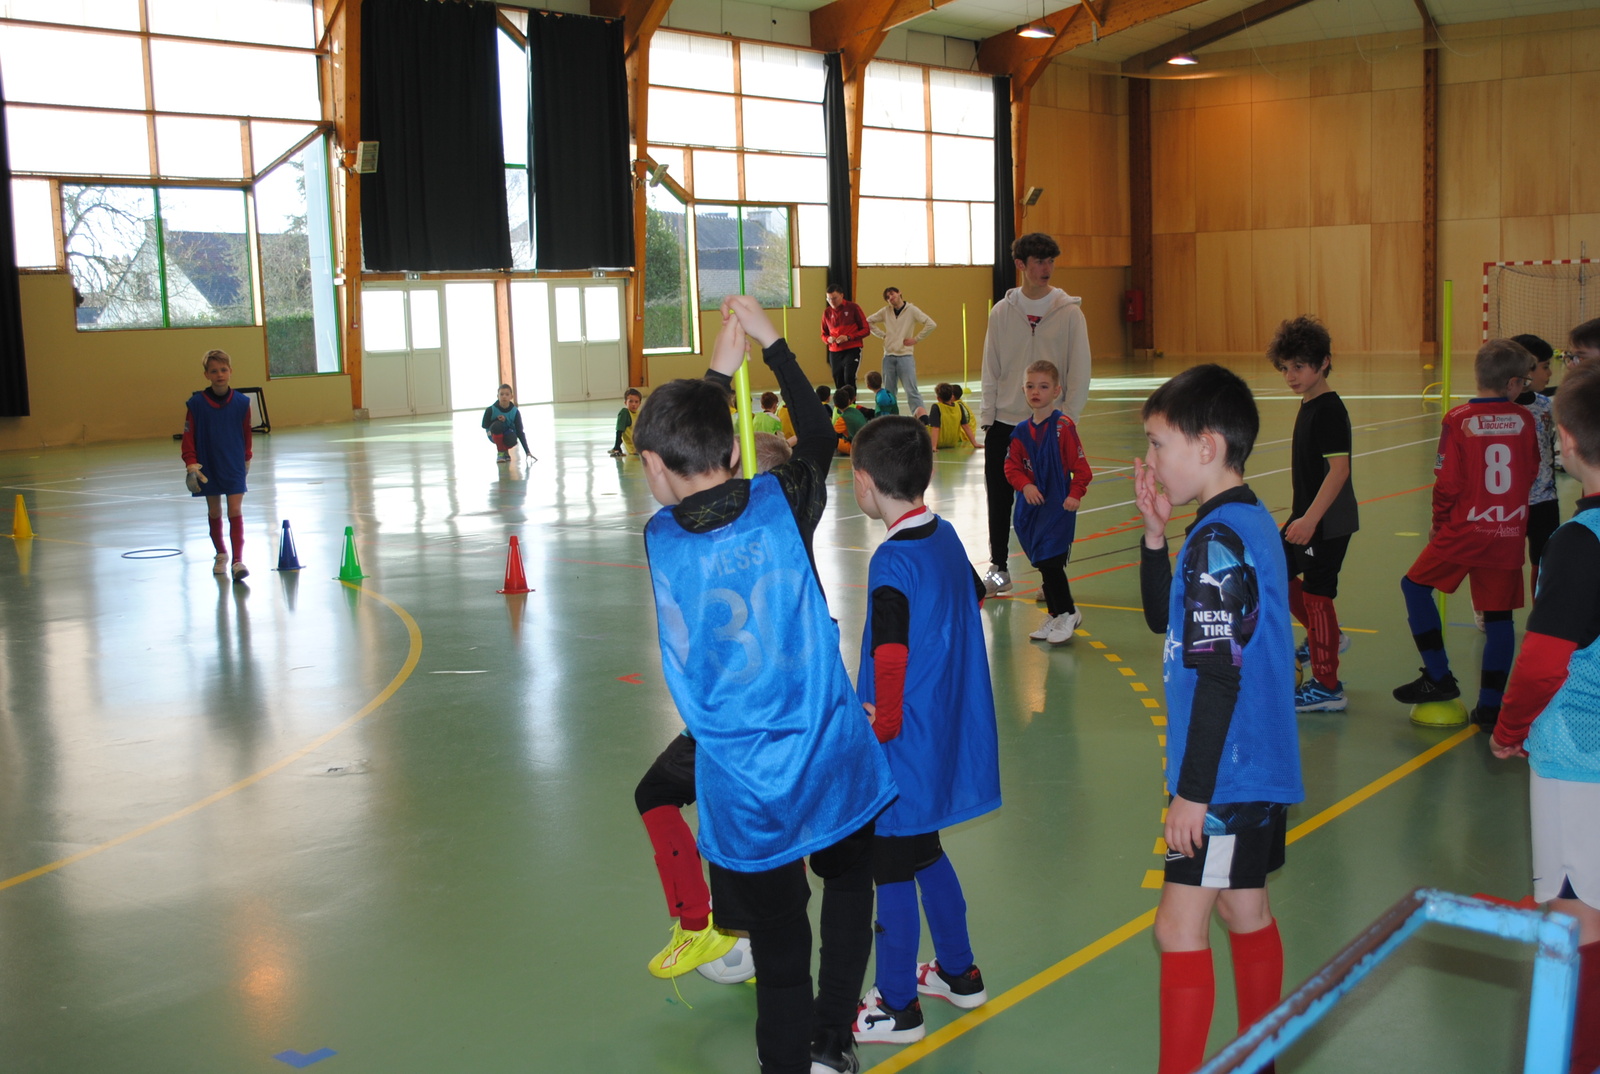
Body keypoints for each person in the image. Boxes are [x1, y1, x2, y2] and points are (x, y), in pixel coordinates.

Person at [634, 293, 896, 1074]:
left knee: (781, 955)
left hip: (745, 787)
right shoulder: (781, 503)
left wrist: (717, 372)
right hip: (829, 750)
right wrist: (769, 343)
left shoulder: (661, 538)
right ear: (736, 448)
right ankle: (834, 1040)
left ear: (654, 468)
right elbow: (817, 434)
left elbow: (695, 471)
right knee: (848, 890)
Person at [1133, 364, 1304, 1074]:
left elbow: (1218, 677)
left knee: (1177, 929)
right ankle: (1262, 1056)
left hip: (1226, 779)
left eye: (1158, 444)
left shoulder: (1217, 543)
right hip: (1253, 765)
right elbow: (1161, 619)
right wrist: (1154, 536)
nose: (1149, 461)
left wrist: (1193, 793)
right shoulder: (1242, 521)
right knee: (1243, 910)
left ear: (1206, 446)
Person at [846, 416, 999, 1048]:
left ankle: (898, 1005)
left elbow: (890, 653)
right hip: (939, 730)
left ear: (864, 483)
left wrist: (881, 722)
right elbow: (973, 594)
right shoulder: (945, 534)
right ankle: (960, 973)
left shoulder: (891, 560)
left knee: (890, 868)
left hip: (901, 743)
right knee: (925, 850)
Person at [1488, 358, 1600, 1074]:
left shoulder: (1580, 542)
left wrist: (1508, 731)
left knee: (1573, 915)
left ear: (1568, 442)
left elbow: (1542, 662)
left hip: (1579, 761)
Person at [1394, 339, 1541, 730]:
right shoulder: (1525, 420)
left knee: (1414, 587)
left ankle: (1438, 676)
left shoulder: (1457, 419)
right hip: (1507, 529)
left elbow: (1447, 482)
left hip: (1464, 530)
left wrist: (1439, 522)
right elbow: (1531, 470)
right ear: (1512, 383)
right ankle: (1490, 708)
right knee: (1498, 617)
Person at [979, 232, 1093, 595]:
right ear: (1021, 265)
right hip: (1005, 423)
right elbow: (990, 367)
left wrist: (1067, 418)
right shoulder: (1002, 312)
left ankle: (1050, 576)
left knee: (1050, 504)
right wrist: (987, 417)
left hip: (1049, 426)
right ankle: (999, 569)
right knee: (999, 500)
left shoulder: (1069, 313)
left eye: (1050, 261)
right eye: (1039, 262)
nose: (1046, 269)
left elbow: (1080, 369)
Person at [1267, 316, 1358, 714]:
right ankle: (1330, 637)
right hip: (1306, 516)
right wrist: (1298, 517)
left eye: (1299, 367)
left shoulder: (1329, 411)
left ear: (1324, 363)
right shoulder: (1308, 404)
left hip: (1327, 522)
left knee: (1318, 595)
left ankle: (1327, 686)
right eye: (1285, 368)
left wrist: (1310, 521)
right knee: (1276, 571)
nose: (1291, 376)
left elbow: (1339, 471)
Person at [1004, 360, 1093, 645]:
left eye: (1043, 386)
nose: (1036, 392)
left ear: (1056, 391)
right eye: (1030, 386)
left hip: (1058, 507)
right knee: (1043, 563)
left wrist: (1075, 493)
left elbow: (1082, 469)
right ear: (1023, 390)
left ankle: (1067, 612)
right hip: (1031, 510)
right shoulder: (1020, 431)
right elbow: (1011, 466)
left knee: (1052, 562)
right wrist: (1025, 485)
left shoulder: (1062, 427)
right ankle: (1055, 614)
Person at [182, 349, 254, 581]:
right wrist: (191, 462)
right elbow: (188, 435)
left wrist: (247, 457)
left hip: (233, 464)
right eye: (214, 371)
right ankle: (221, 553)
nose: (219, 374)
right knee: (214, 511)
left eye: (223, 370)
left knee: (235, 510)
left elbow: (246, 433)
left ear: (230, 371)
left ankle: (238, 561)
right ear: (207, 375)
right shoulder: (196, 404)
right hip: (208, 465)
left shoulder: (242, 403)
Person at [1511, 334, 1560, 592]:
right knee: (1505, 562)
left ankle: (1540, 611)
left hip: (1544, 499)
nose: (1550, 373)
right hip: (1507, 501)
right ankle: (1491, 607)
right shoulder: (1500, 408)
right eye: (1545, 366)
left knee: (1543, 562)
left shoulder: (1547, 406)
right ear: (1526, 368)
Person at [867, 286, 934, 414]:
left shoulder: (912, 310)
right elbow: (868, 321)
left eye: (892, 294)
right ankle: (890, 418)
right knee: (889, 392)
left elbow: (931, 324)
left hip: (905, 356)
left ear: (899, 293)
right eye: (887, 297)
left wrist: (916, 339)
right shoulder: (885, 311)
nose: (890, 298)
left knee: (911, 390)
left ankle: (922, 418)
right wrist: (883, 335)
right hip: (888, 356)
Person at [821, 283, 871, 391]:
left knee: (849, 377)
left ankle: (852, 400)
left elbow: (866, 330)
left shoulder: (853, 308)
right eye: (829, 299)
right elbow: (823, 334)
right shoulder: (827, 312)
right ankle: (842, 401)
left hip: (852, 348)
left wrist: (849, 337)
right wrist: (828, 339)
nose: (832, 301)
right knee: (837, 378)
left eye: (834, 298)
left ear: (842, 295)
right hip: (834, 351)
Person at [921, 383, 979, 451]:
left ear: (938, 398)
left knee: (920, 411)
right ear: (952, 396)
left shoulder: (936, 407)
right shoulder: (959, 406)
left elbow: (935, 428)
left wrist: (933, 446)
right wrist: (975, 443)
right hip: (952, 442)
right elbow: (965, 426)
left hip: (939, 442)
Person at [483, 384, 532, 463]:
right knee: (497, 425)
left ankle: (505, 451)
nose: (504, 397)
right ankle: (501, 453)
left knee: (512, 439)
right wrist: (497, 419)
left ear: (511, 397)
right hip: (493, 433)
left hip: (508, 433)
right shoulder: (490, 410)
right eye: (501, 394)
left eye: (507, 394)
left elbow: (520, 431)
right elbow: (484, 425)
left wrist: (527, 451)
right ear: (498, 396)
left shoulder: (515, 412)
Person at [834, 385, 869, 456]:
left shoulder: (842, 419)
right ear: (849, 401)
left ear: (835, 405)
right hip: (867, 443)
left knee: (835, 441)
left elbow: (833, 434)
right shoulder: (857, 411)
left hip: (857, 448)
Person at [609, 387, 642, 457]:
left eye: (636, 402)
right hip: (634, 449)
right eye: (630, 401)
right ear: (625, 402)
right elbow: (619, 431)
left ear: (640, 403)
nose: (633, 404)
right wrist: (617, 447)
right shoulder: (625, 413)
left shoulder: (640, 414)